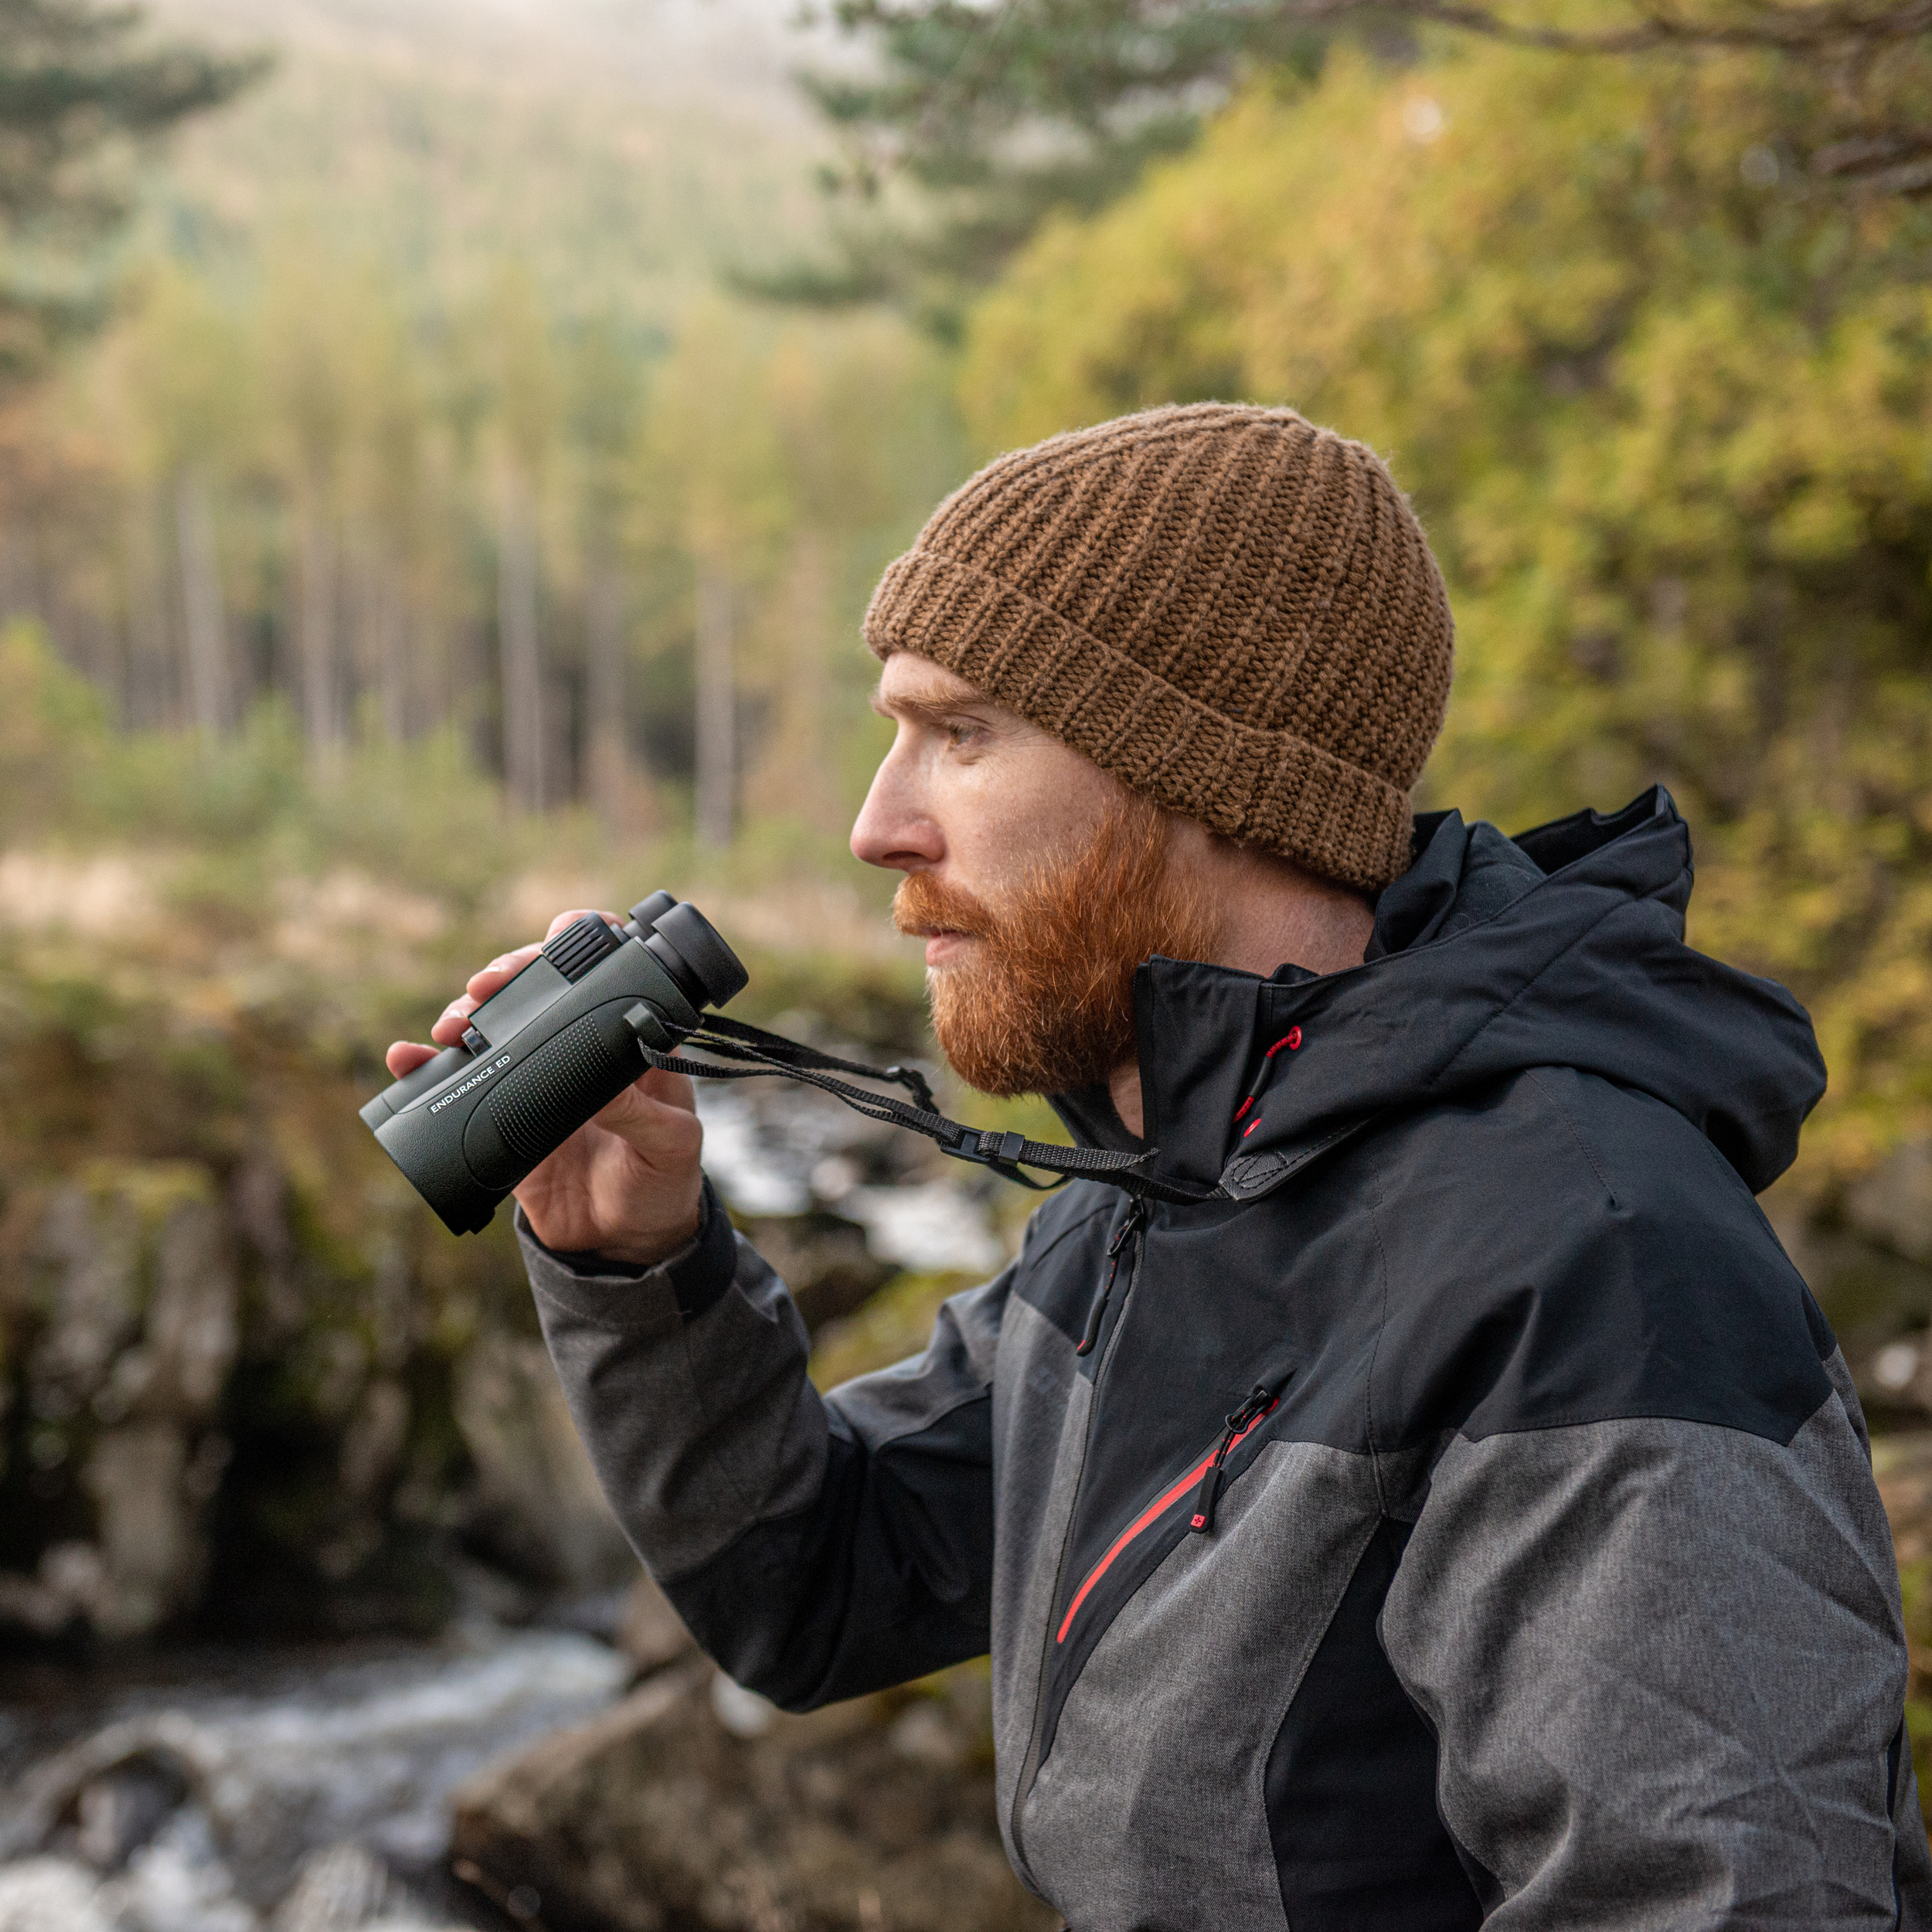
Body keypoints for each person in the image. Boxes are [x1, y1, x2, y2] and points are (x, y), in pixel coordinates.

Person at [389, 403, 1932, 1927]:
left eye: (961, 732)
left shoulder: (1593, 1262)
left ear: (1208, 777)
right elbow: (819, 1584)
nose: (876, 825)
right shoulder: (1163, 1198)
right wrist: (633, 1257)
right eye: (894, 734)